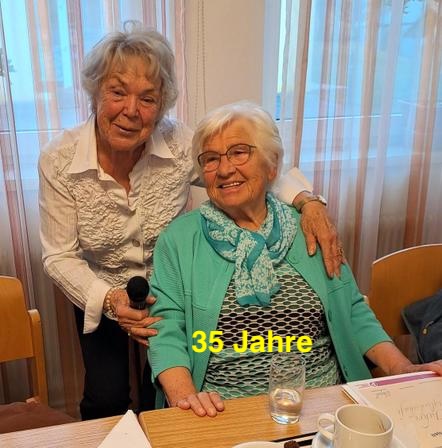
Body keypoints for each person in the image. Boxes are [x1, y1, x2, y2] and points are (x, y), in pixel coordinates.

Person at [38, 25, 341, 420]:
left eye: (148, 98)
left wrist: (308, 200)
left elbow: (246, 172)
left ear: (162, 104)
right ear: (95, 92)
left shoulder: (180, 144)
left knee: (162, 387)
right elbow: (59, 255)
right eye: (118, 92)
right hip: (100, 287)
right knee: (105, 395)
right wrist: (110, 299)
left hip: (174, 289)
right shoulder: (59, 159)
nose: (131, 110)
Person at [147, 102, 442, 417]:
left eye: (239, 152)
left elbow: (353, 311)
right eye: (211, 158)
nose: (224, 169)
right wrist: (187, 398)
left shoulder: (312, 229)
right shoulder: (179, 240)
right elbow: (166, 330)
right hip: (222, 409)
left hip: (321, 403)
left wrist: (402, 368)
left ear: (272, 165)